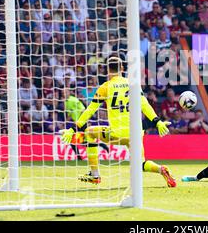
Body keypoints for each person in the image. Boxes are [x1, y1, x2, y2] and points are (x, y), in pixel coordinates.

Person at [60, 57, 176, 187]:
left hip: (117, 134)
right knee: (140, 164)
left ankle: (95, 174)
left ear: (107, 70)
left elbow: (89, 111)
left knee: (89, 133)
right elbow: (145, 105)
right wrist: (158, 122)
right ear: (122, 69)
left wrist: (72, 129)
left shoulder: (105, 87)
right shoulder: (133, 84)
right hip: (136, 134)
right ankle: (161, 169)